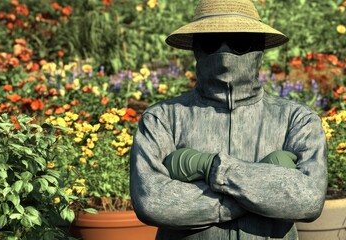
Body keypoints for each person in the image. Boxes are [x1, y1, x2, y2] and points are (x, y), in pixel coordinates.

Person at [129, 0, 328, 239]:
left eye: (239, 42)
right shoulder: (162, 118)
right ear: (196, 49)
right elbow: (152, 200)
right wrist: (263, 193)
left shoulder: (296, 119)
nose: (224, 55)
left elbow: (308, 199)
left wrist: (213, 168)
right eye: (211, 42)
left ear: (260, 48)